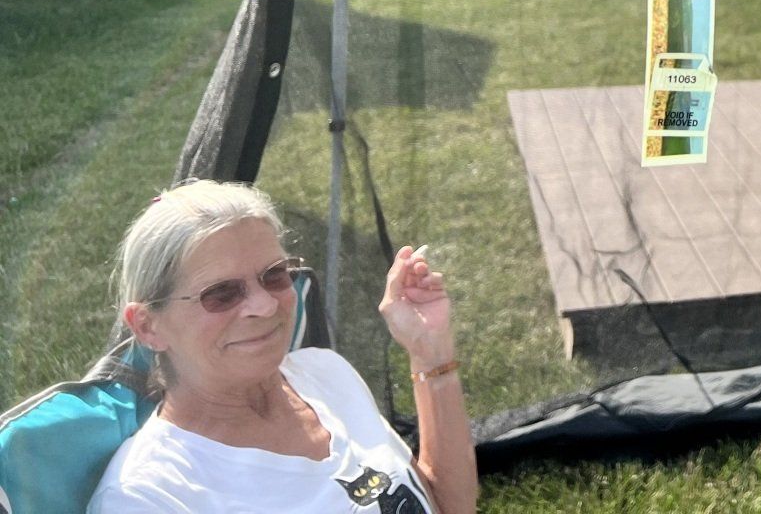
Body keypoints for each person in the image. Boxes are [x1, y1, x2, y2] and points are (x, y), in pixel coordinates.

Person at [87, 181, 477, 514]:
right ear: (148, 326)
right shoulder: (149, 496)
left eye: (274, 275)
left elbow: (443, 505)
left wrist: (430, 350)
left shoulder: (325, 372)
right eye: (221, 293)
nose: (264, 305)